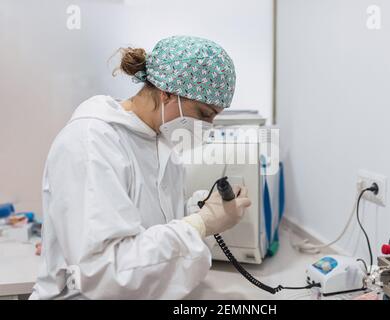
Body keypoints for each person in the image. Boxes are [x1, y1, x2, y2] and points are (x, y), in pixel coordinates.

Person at [30, 35, 251, 300]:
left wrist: (202, 213)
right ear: (167, 92)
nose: (208, 127)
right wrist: (200, 223)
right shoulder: (91, 142)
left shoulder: (161, 143)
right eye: (204, 114)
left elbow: (153, 231)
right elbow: (108, 273)